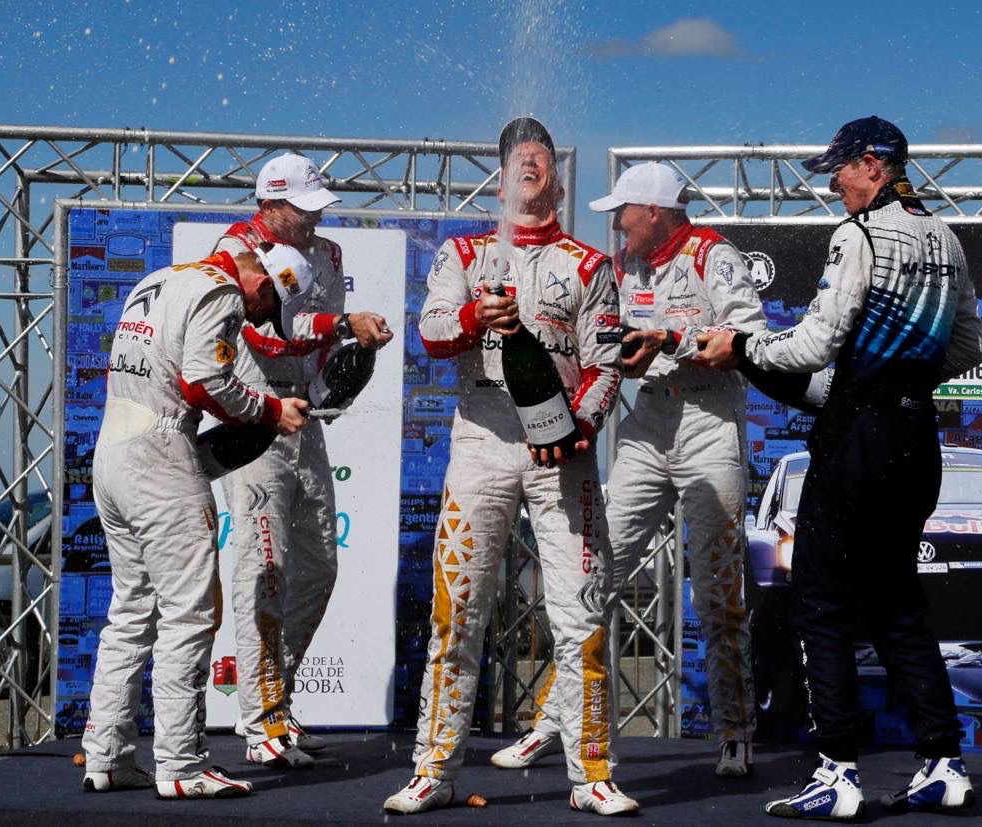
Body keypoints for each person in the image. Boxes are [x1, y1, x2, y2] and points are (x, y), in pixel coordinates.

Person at [699, 116, 982, 820]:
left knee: (820, 602)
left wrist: (741, 346)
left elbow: (812, 347)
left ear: (875, 166)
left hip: (859, 434)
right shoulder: (945, 237)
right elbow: (968, 349)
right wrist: (906, 373)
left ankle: (837, 772)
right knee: (896, 603)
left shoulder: (858, 235)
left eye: (841, 168)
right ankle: (943, 764)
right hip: (917, 436)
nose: (833, 182)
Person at [382, 117, 637, 817]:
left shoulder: (589, 264)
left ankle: (592, 774)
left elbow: (607, 365)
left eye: (541, 154)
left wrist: (579, 428)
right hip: (481, 441)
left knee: (581, 614)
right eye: (516, 155)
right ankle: (434, 769)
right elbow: (431, 331)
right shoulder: (463, 252)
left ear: (558, 180)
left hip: (562, 455)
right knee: (456, 614)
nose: (529, 158)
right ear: (499, 183)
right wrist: (475, 317)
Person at [491, 162, 764, 778]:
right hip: (647, 423)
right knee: (595, 576)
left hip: (709, 423)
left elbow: (748, 336)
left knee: (717, 589)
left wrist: (670, 338)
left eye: (623, 211)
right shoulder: (621, 266)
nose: (615, 222)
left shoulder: (714, 256)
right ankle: (557, 722)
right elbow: (610, 340)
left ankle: (736, 732)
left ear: (656, 211)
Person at [82, 243, 314, 799]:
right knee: (189, 615)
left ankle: (106, 756)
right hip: (160, 457)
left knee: (130, 611)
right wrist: (270, 410)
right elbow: (204, 381)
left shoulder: (159, 278)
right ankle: (181, 765)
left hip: (111, 453)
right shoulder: (223, 292)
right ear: (266, 284)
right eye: (270, 308)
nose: (261, 320)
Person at [213, 153, 392, 769]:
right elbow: (265, 335)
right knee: (263, 567)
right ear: (269, 203)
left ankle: (277, 702)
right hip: (254, 413)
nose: (315, 219)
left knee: (319, 565)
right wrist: (344, 324)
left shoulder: (330, 254)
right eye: (303, 209)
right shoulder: (236, 251)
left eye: (319, 208)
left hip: (305, 417)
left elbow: (319, 343)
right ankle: (259, 718)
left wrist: (348, 365)